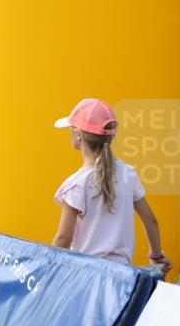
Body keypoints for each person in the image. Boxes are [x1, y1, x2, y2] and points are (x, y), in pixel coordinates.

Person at [52, 98, 172, 275]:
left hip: (86, 276)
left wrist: (46, 268)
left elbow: (63, 239)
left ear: (79, 134)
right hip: (123, 276)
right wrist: (156, 257)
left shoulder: (76, 184)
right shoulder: (127, 174)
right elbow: (151, 220)